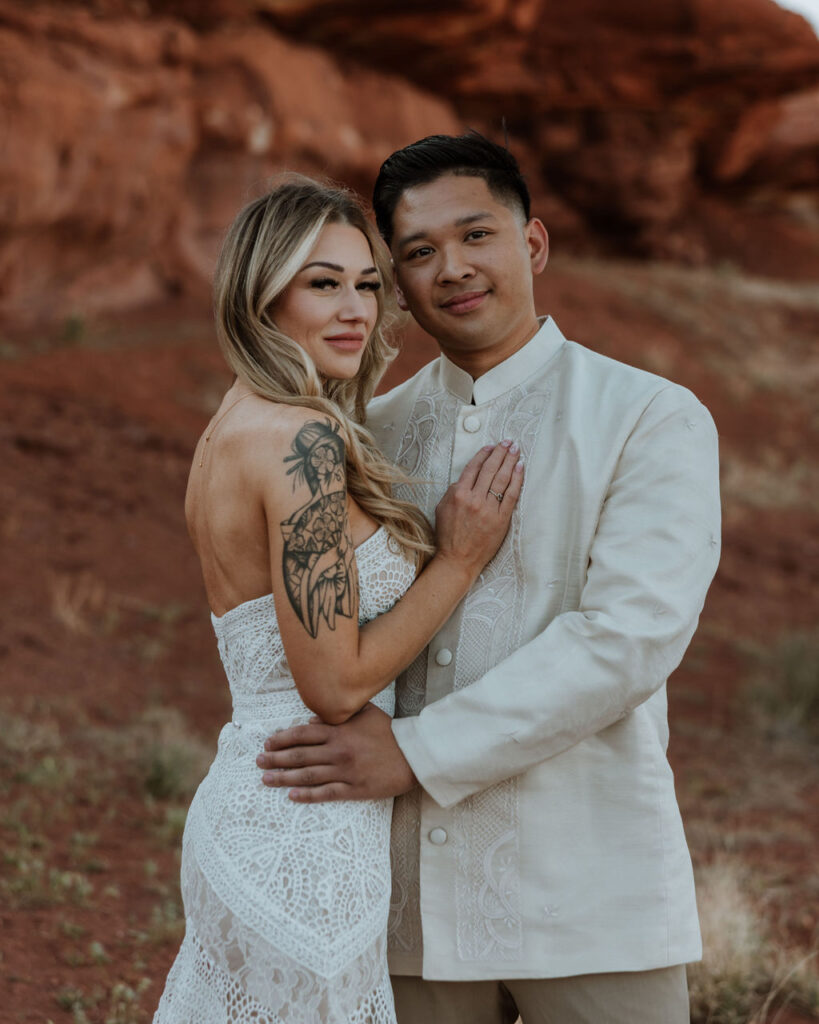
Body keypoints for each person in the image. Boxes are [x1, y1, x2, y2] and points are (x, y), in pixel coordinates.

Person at [256, 134, 722, 1024]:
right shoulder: (367, 435)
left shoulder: (647, 417)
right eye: (419, 253)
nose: (454, 269)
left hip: (585, 896)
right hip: (401, 908)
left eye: (476, 236)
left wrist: (414, 753)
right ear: (396, 280)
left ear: (532, 244)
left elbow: (628, 640)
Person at [153, 175, 524, 1024]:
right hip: (306, 830)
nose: (355, 309)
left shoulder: (233, 424)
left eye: (365, 284)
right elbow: (332, 685)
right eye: (323, 284)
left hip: (257, 799)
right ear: (262, 294)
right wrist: (458, 563)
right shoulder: (303, 441)